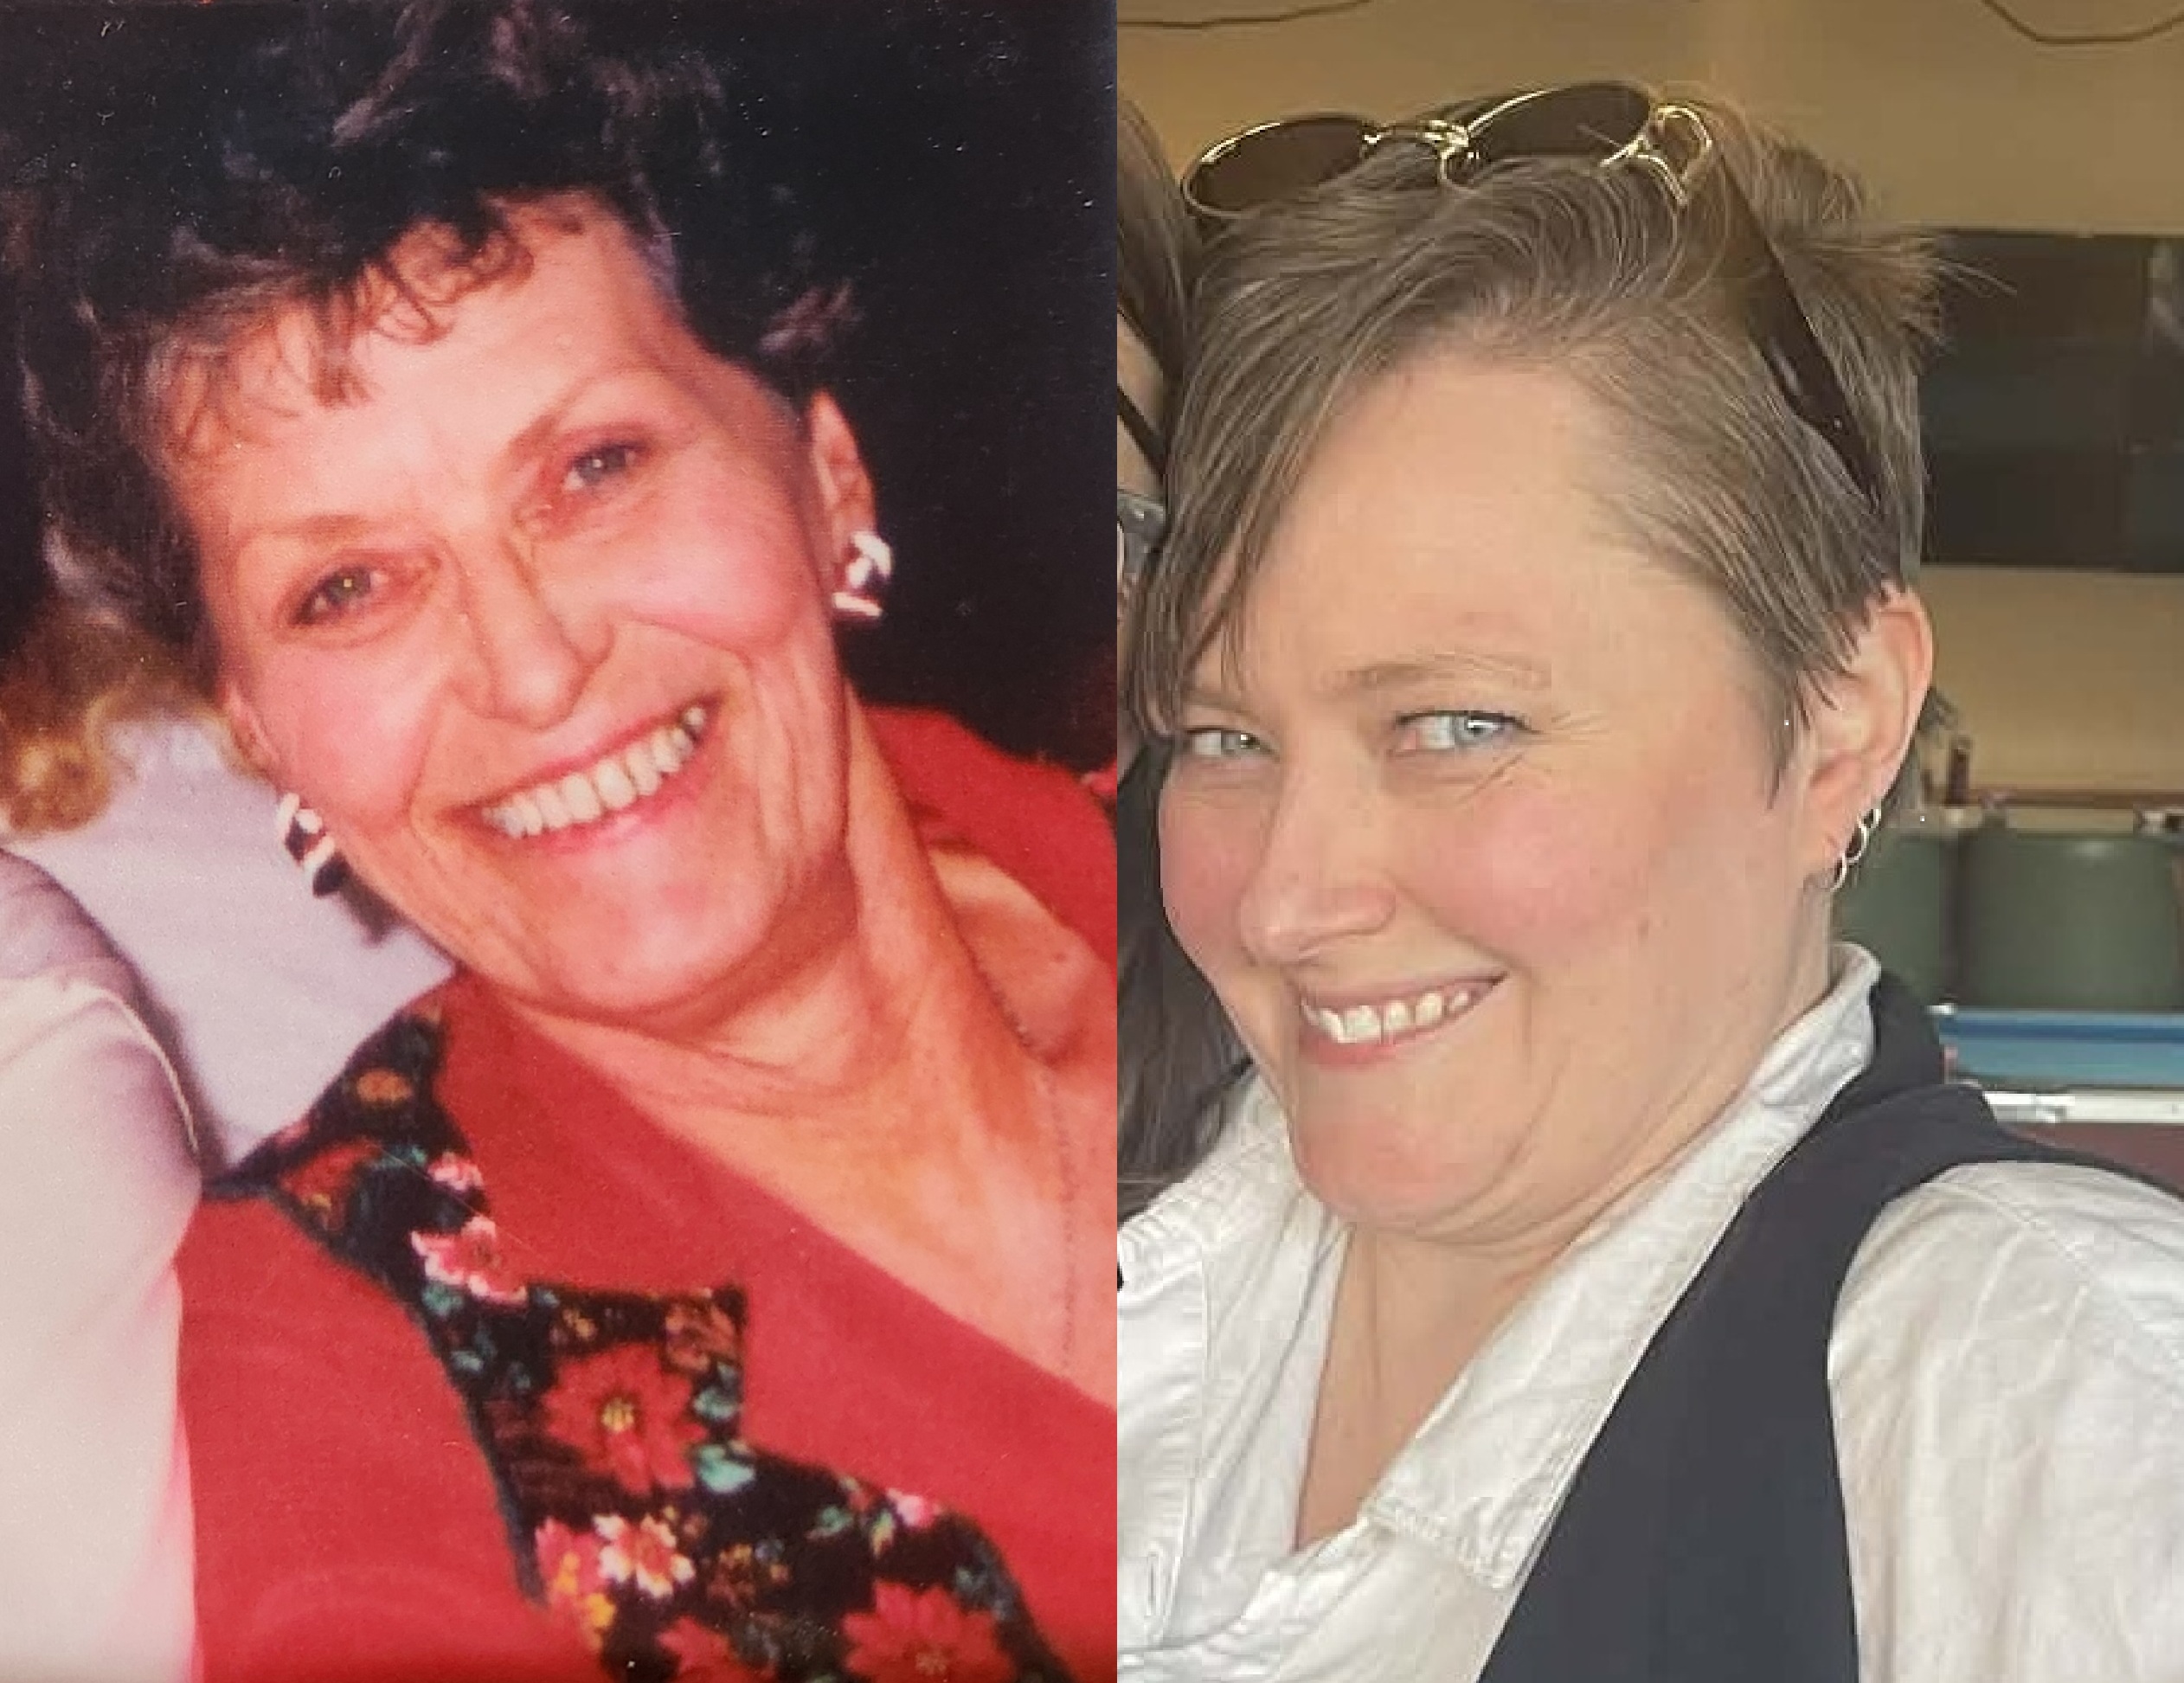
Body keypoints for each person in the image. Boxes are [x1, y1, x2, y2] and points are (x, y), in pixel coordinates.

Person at [5, 3, 1115, 1678]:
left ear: (822, 471)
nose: (530, 667)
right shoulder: (341, 1368)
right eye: (350, 586)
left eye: (592, 467)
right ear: (259, 730)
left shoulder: (1240, 871)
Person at [1117, 82, 2184, 1681]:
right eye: (1218, 734)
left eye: (1455, 724)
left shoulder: (2064, 1413)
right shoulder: (1079, 1237)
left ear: (1840, 721)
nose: (1283, 899)